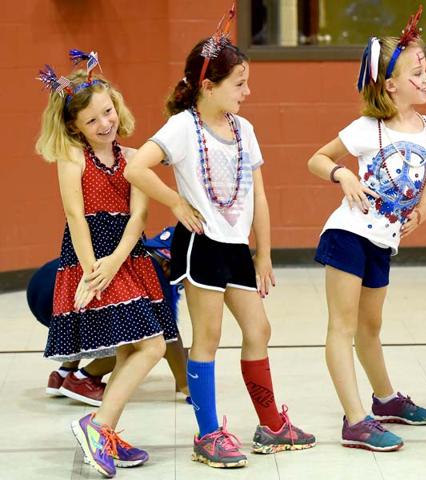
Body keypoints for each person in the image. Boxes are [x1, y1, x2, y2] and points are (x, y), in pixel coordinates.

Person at [124, 4, 315, 469]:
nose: (248, 92)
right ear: (208, 86)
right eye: (239, 84)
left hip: (237, 250)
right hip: (201, 246)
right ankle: (208, 434)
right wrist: (174, 202)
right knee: (207, 336)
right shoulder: (182, 127)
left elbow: (260, 197)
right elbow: (135, 166)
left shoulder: (243, 129)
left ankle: (271, 426)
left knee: (259, 329)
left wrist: (264, 252)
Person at [307, 6, 426, 452]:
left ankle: (385, 400)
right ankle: (355, 421)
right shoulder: (368, 128)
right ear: (389, 84)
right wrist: (341, 175)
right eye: (416, 72)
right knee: (342, 328)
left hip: (383, 242)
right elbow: (317, 159)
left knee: (371, 326)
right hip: (347, 234)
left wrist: (423, 208)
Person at [36, 49, 179, 477]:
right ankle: (96, 426)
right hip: (91, 260)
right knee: (151, 346)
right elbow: (75, 217)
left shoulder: (135, 157)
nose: (105, 123)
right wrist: (91, 271)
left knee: (134, 349)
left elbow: (139, 217)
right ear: (74, 128)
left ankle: (105, 429)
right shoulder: (72, 159)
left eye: (108, 111)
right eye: (93, 120)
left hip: (126, 259)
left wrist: (116, 261)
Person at [27, 227, 190, 407]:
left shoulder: (142, 252)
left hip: (45, 287)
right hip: (61, 297)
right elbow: (169, 339)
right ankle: (83, 380)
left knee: (95, 316)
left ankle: (63, 374)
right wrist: (186, 385)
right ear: (168, 266)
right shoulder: (156, 275)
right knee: (142, 340)